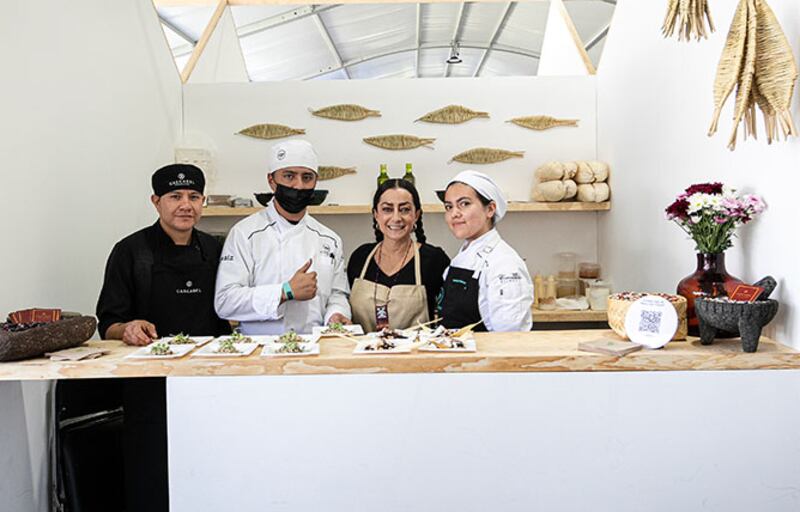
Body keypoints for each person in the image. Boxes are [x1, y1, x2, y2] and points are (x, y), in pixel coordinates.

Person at [95, 163, 230, 512]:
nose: (186, 204)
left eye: (194, 196)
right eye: (175, 196)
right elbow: (108, 321)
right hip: (149, 387)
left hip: (207, 384)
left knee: (210, 472)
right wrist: (126, 329)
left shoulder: (216, 251)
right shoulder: (131, 252)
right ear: (156, 201)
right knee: (151, 476)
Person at [215, 139, 351, 334]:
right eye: (289, 176)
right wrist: (285, 291)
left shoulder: (330, 239)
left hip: (315, 350)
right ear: (272, 181)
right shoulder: (245, 234)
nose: (298, 185)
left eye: (307, 177)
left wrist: (335, 314)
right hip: (260, 353)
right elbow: (225, 302)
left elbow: (338, 294)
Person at [347, 179, 450, 332]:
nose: (396, 218)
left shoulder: (434, 260)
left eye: (404, 209)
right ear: (376, 214)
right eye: (387, 209)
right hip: (363, 354)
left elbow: (448, 316)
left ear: (416, 215)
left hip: (416, 354)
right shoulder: (360, 257)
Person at [438, 170, 533, 332]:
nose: (454, 213)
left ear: (490, 209)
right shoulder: (462, 258)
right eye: (449, 206)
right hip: (458, 353)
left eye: (464, 204)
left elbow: (509, 335)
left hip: (481, 356)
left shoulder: (504, 264)